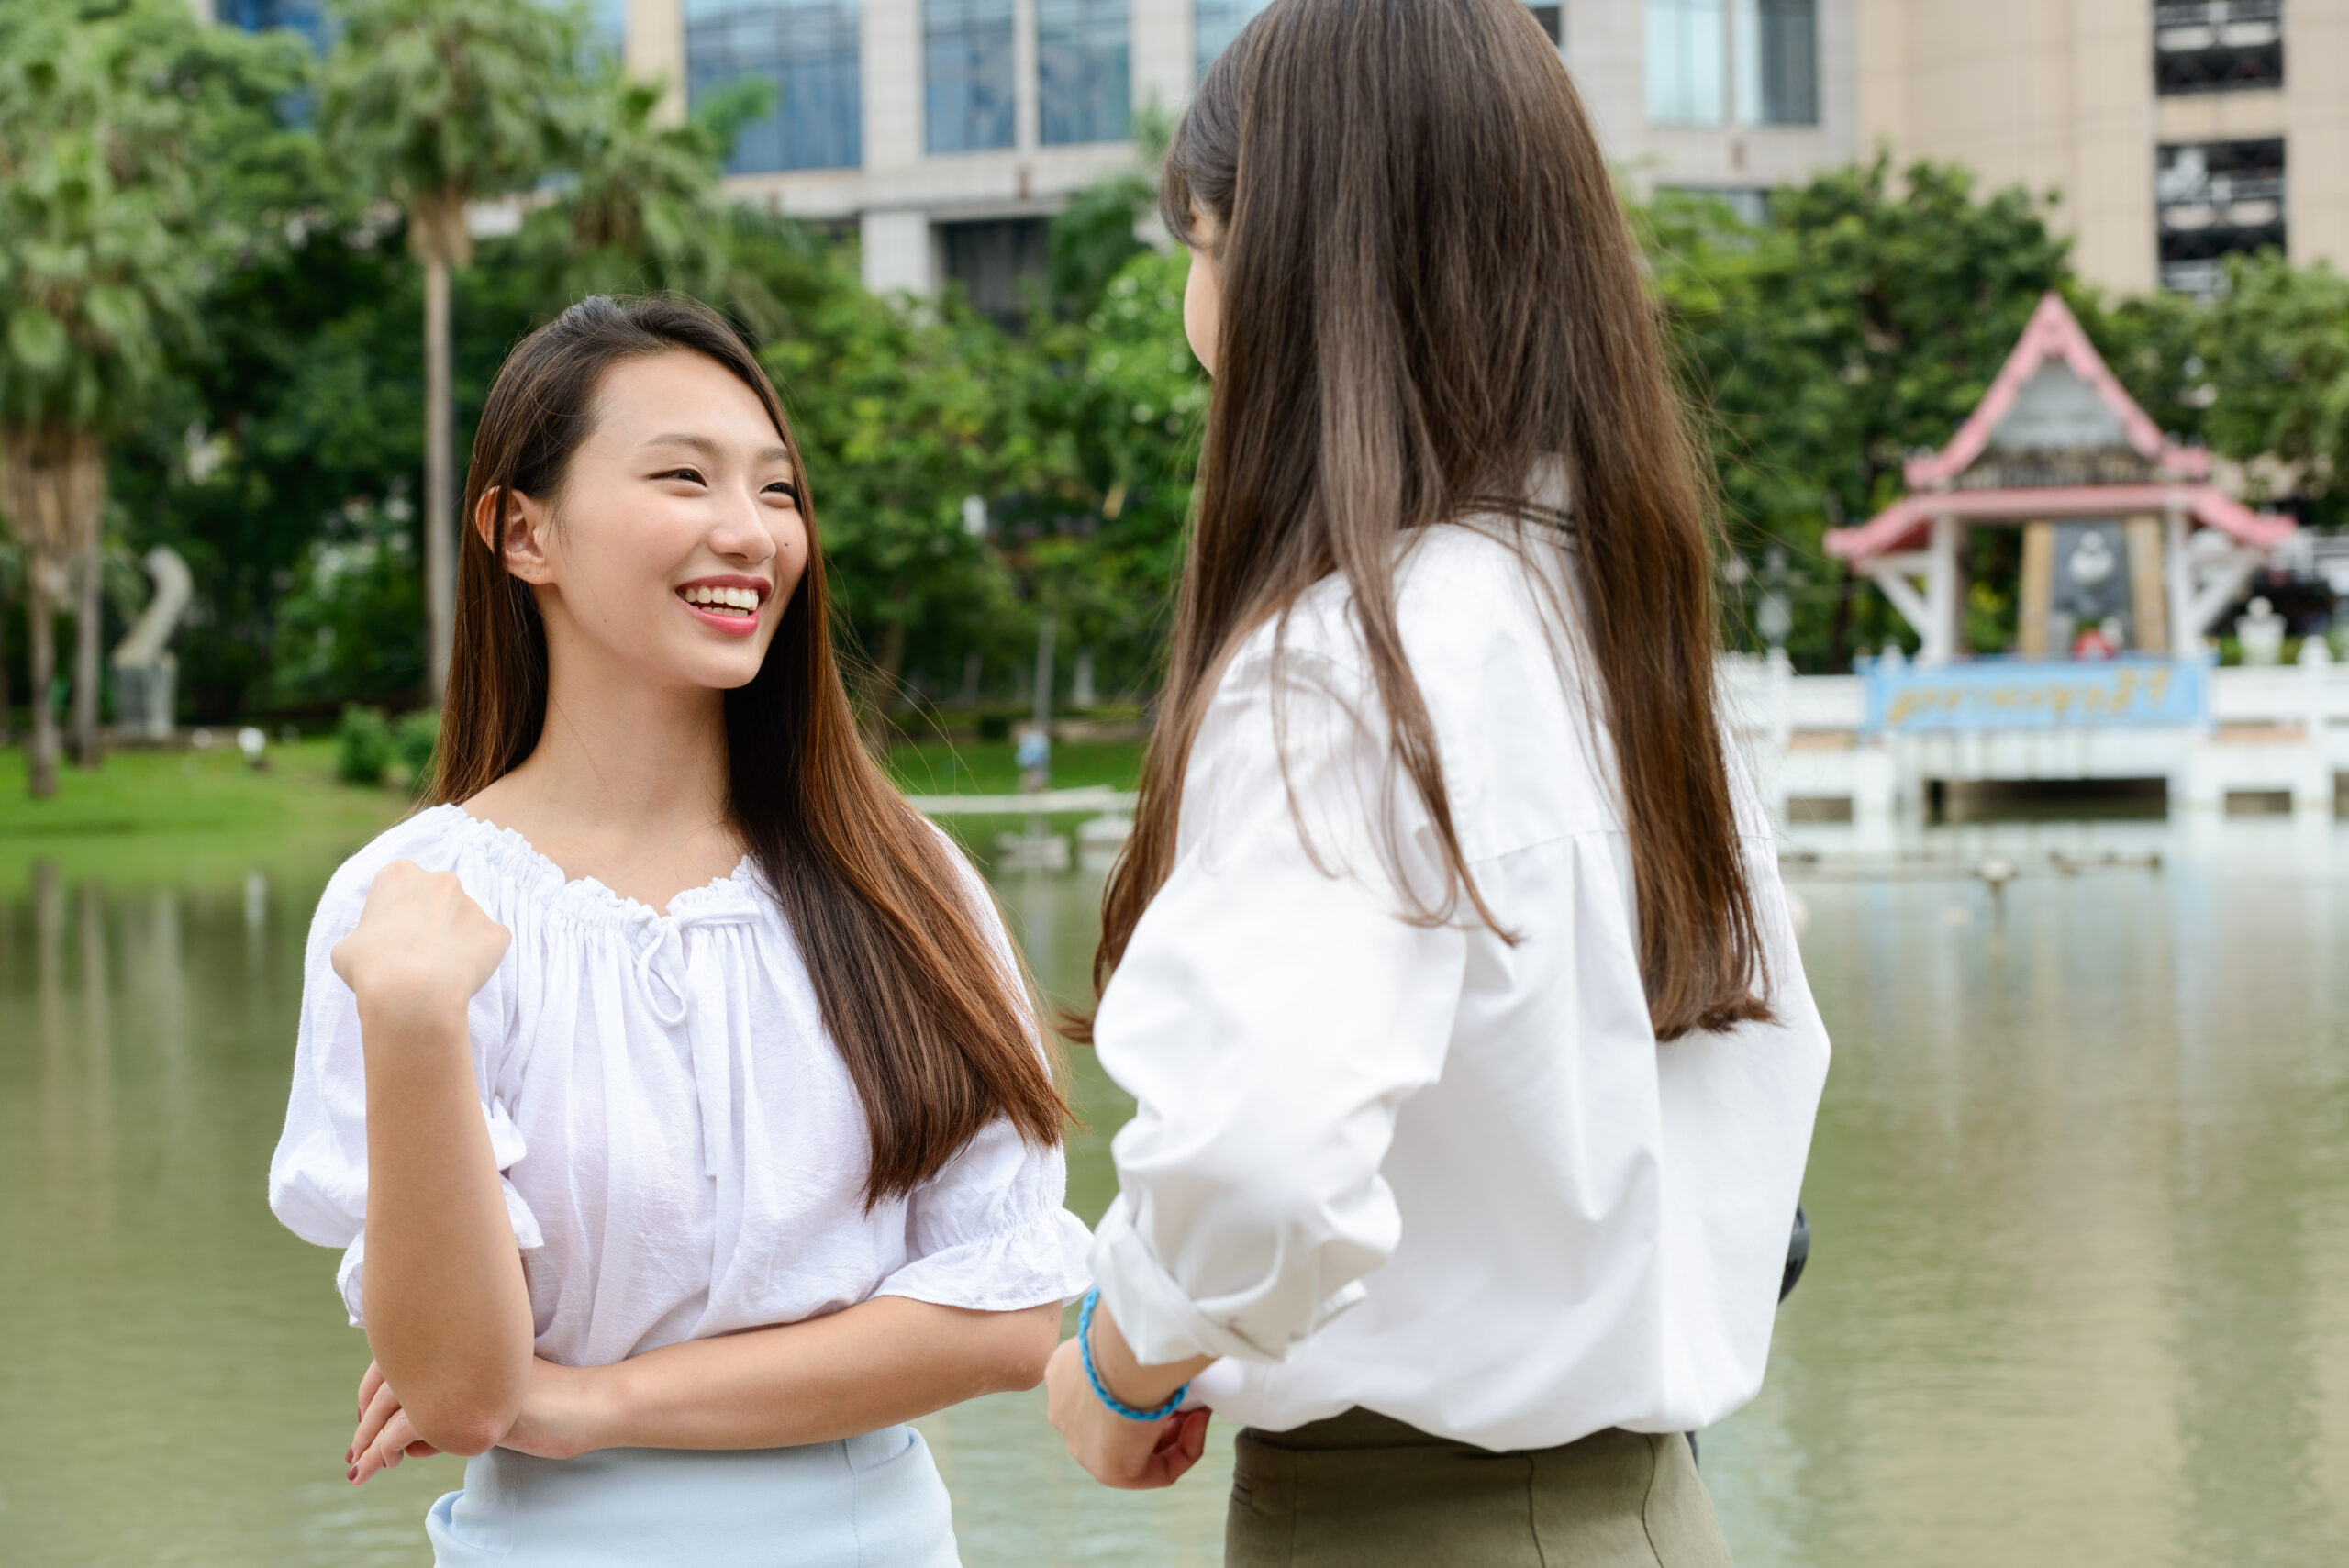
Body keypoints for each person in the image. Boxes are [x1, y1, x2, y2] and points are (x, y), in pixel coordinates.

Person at [1041, 3, 1832, 1562]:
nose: (1196, 307)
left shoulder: (1354, 657)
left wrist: (1120, 1365)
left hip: (1410, 1519)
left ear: (1290, 264)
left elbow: (1260, 1166)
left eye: (1201, 245)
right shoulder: (1612, 627)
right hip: (1647, 1510)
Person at [268, 295, 1091, 1566]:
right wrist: (418, 1019)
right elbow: (466, 1393)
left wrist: (595, 1400)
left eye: (777, 490)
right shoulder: (410, 908)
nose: (750, 533)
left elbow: (1008, 1313)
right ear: (521, 529)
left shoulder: (901, 880)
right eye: (683, 478)